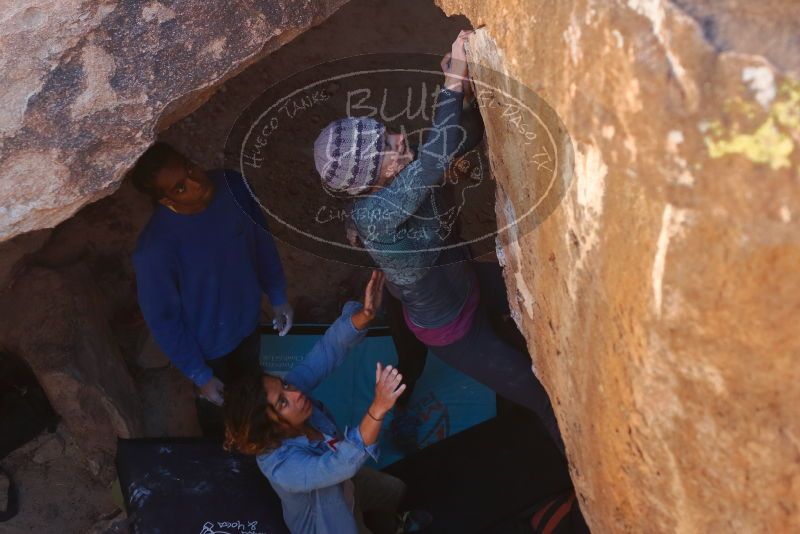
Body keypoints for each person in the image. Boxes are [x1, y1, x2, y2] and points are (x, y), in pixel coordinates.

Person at [313, 31, 565, 454]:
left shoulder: (400, 176)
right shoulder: (374, 216)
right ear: (372, 179)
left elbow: (457, 138)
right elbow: (438, 154)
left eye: (387, 133)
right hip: (452, 328)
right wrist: (454, 77)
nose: (398, 137)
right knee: (538, 394)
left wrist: (464, 96)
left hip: (457, 283)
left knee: (541, 302)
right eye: (386, 146)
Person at [224, 272, 424, 534]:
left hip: (347, 482)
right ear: (270, 430)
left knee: (394, 491)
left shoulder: (294, 395)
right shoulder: (284, 468)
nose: (295, 393)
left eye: (284, 385)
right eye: (283, 402)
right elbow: (342, 463)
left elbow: (327, 351)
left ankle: (394, 524)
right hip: (332, 521)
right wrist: (379, 406)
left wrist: (364, 315)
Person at [130, 143, 293, 436]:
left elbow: (261, 241)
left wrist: (278, 295)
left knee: (256, 393)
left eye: (190, 168)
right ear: (164, 200)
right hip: (209, 349)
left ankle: (262, 441)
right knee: (222, 417)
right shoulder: (155, 251)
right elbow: (163, 320)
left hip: (248, 322)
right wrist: (200, 374)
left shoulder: (232, 187)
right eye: (180, 188)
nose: (196, 183)